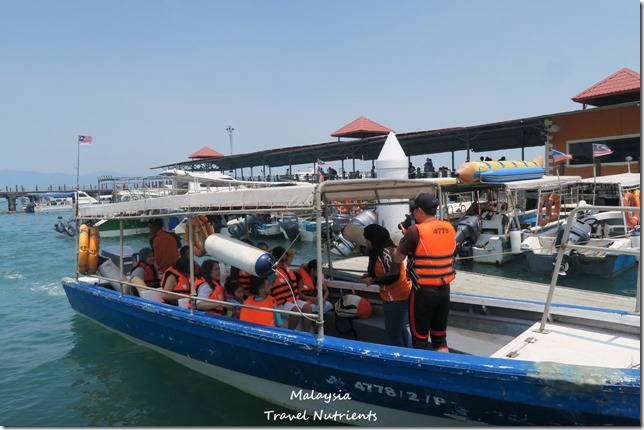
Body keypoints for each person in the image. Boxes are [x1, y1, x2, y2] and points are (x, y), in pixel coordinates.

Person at [393, 193, 456, 352]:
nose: (413, 213)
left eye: (414, 210)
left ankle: (418, 374)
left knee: (419, 341)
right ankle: (444, 372)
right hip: (444, 290)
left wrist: (405, 237)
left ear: (419, 210)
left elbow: (396, 259)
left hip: (423, 293)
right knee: (440, 339)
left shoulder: (414, 231)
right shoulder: (449, 227)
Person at [361, 224, 412, 347]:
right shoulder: (379, 251)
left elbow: (393, 275)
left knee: (394, 334)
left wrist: (373, 281)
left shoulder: (387, 252)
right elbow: (383, 270)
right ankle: (408, 355)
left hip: (396, 297)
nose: (366, 242)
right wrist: (369, 275)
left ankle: (400, 361)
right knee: (402, 330)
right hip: (395, 296)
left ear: (374, 238)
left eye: (367, 238)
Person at [270, 246, 313, 330]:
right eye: (281, 260)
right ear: (275, 260)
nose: (284, 262)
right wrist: (271, 252)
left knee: (308, 307)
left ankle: (306, 334)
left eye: (286, 260)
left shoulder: (286, 266)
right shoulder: (272, 272)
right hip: (281, 303)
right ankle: (290, 333)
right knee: (296, 311)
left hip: (293, 300)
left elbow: (292, 251)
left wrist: (277, 248)